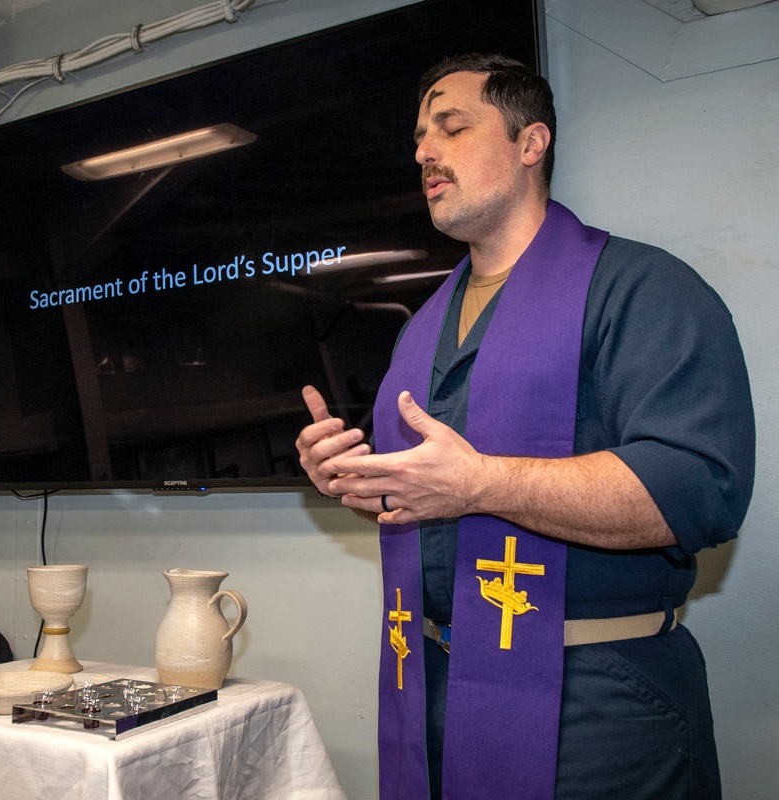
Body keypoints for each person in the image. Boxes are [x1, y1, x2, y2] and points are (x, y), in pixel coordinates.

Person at [295, 53, 755, 800]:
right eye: (418, 137)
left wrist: (481, 483)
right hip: (437, 683)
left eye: (451, 126)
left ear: (530, 142)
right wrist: (362, 479)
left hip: (599, 707)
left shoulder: (642, 290)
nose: (423, 152)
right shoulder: (423, 329)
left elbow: (695, 490)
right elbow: (431, 498)